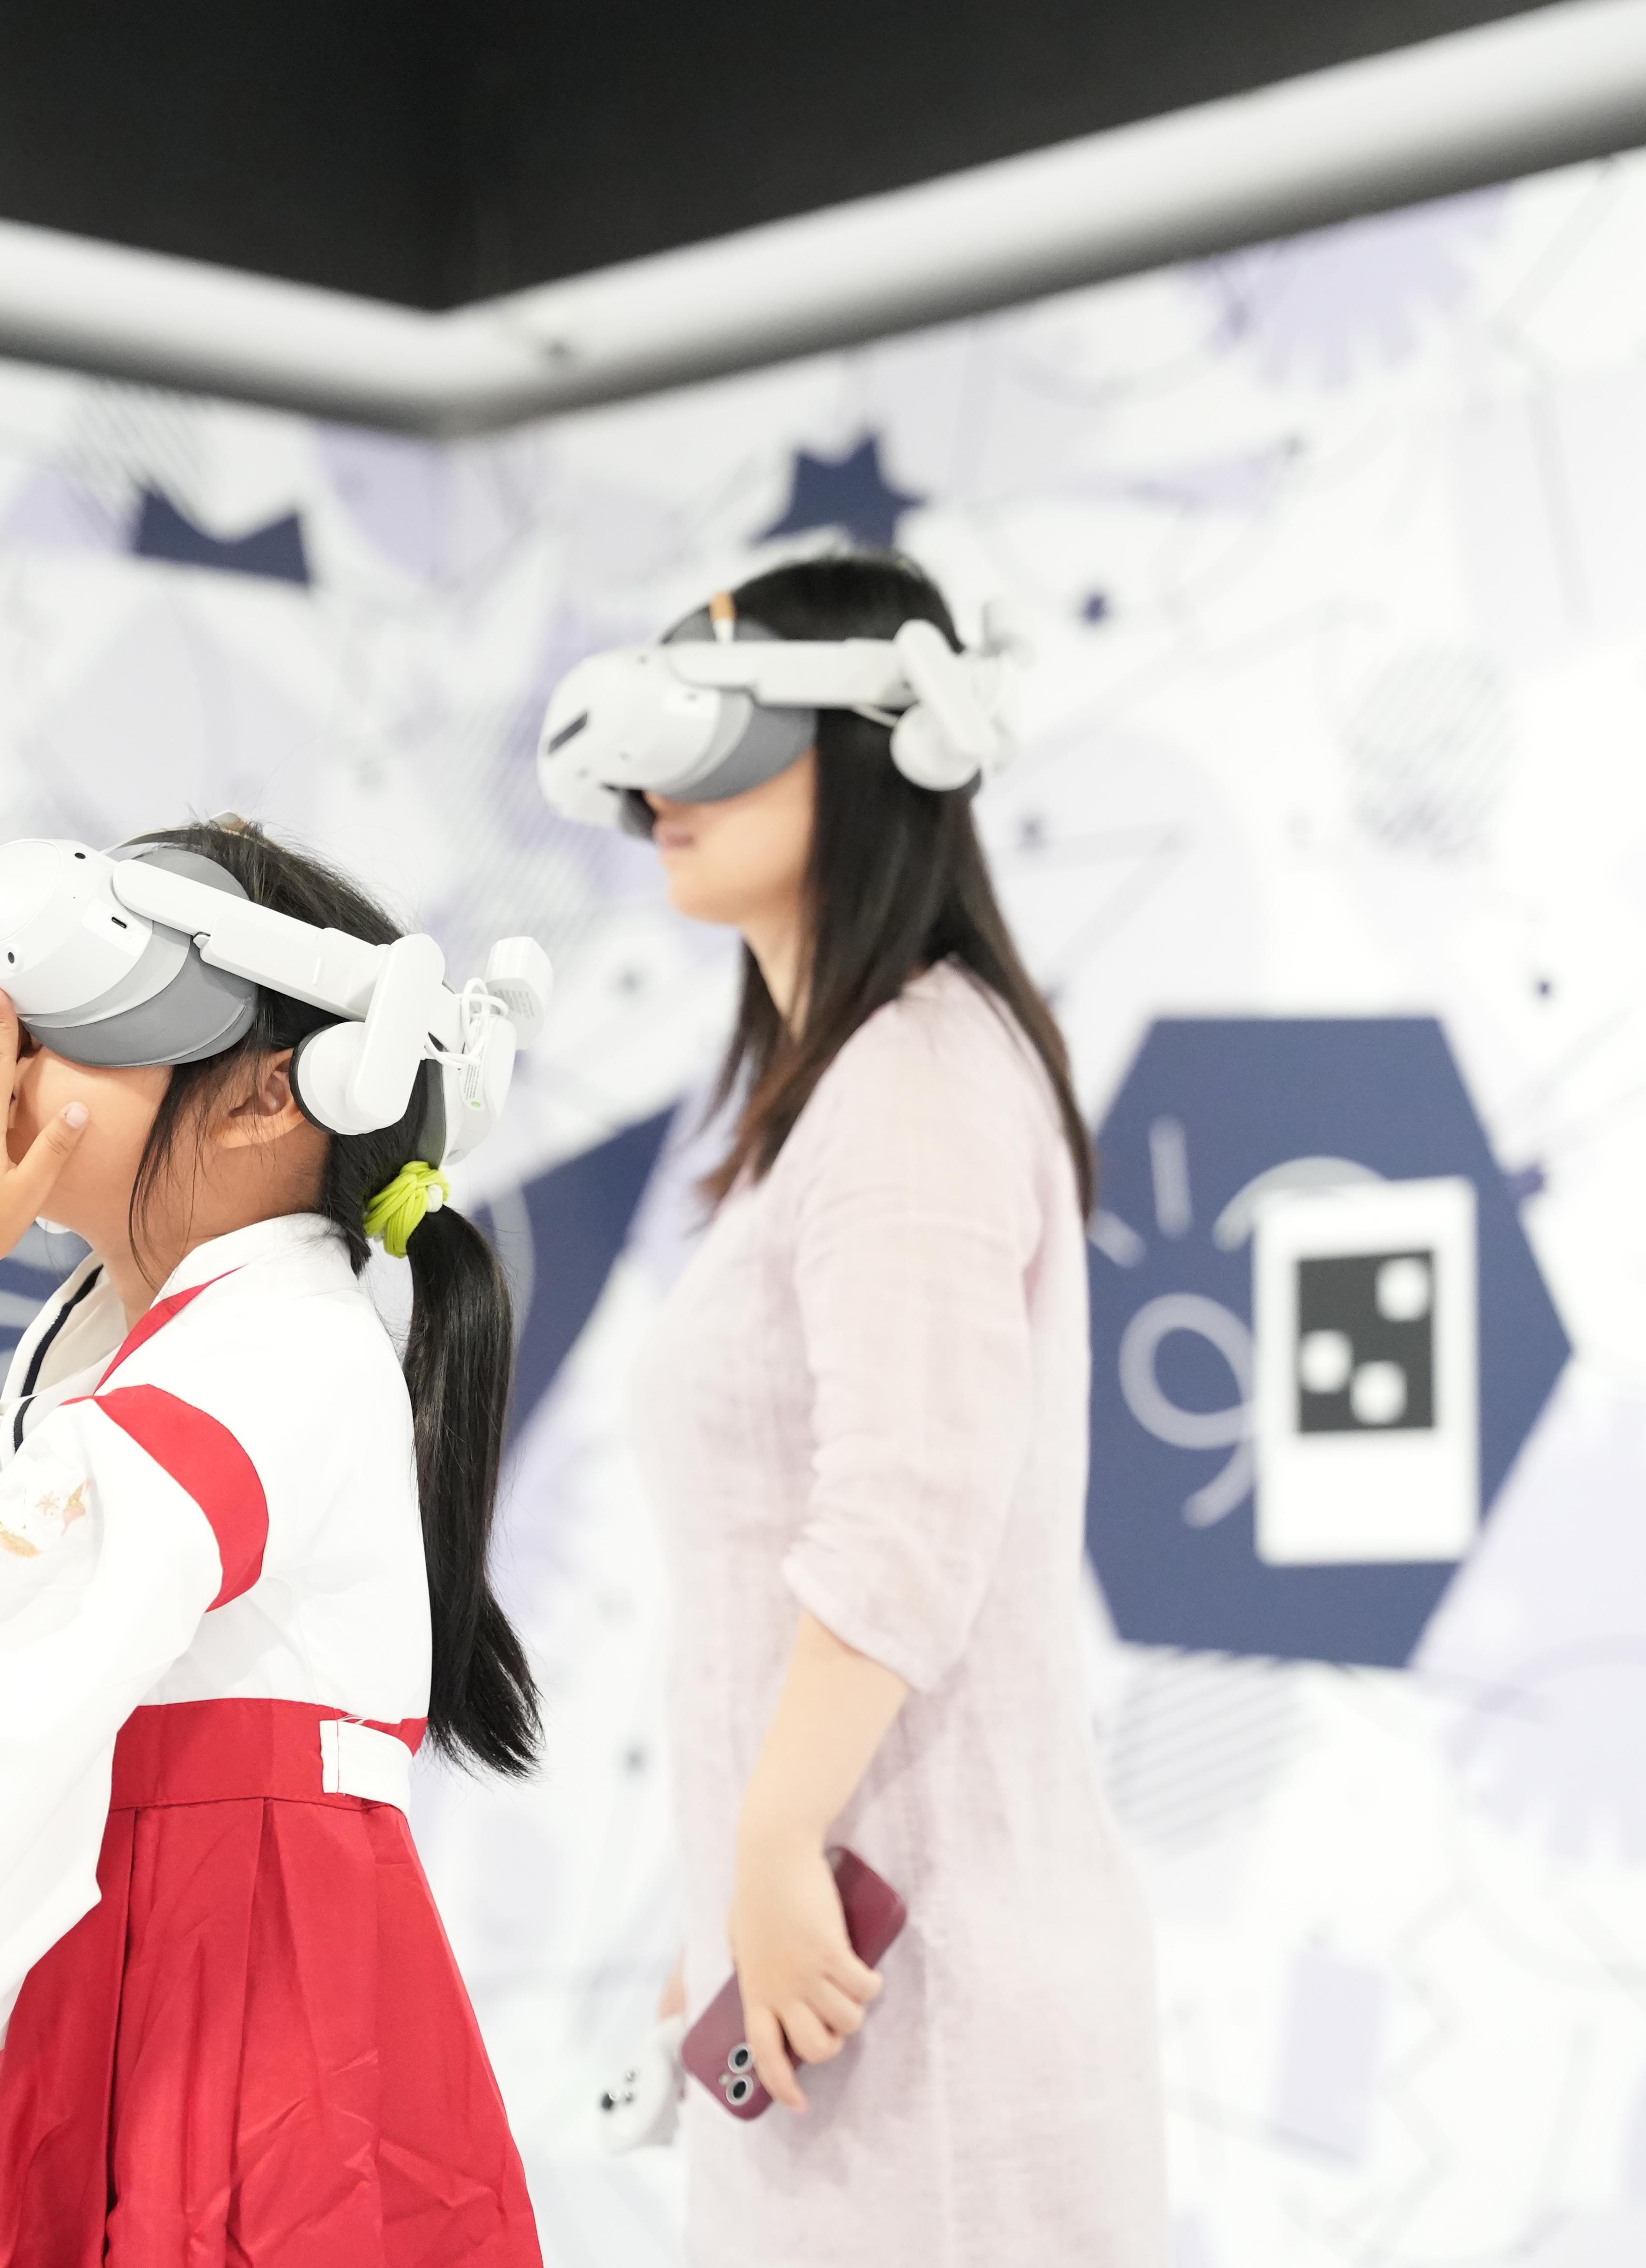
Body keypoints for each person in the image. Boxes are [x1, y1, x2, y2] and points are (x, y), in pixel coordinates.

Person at [0, 819, 547, 2267]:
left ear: (264, 1100)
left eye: (58, 1037)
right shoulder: (142, 1351)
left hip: (246, 2036)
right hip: (133, 1991)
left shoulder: (283, 1348)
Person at [621, 554, 1166, 2260]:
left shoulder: (915, 1080)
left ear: (869, 744)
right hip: (839, 1978)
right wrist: (737, 1883)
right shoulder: (850, 1088)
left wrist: (776, 1834)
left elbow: (910, 1505)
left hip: (933, 2011)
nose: (657, 784)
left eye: (716, 734)